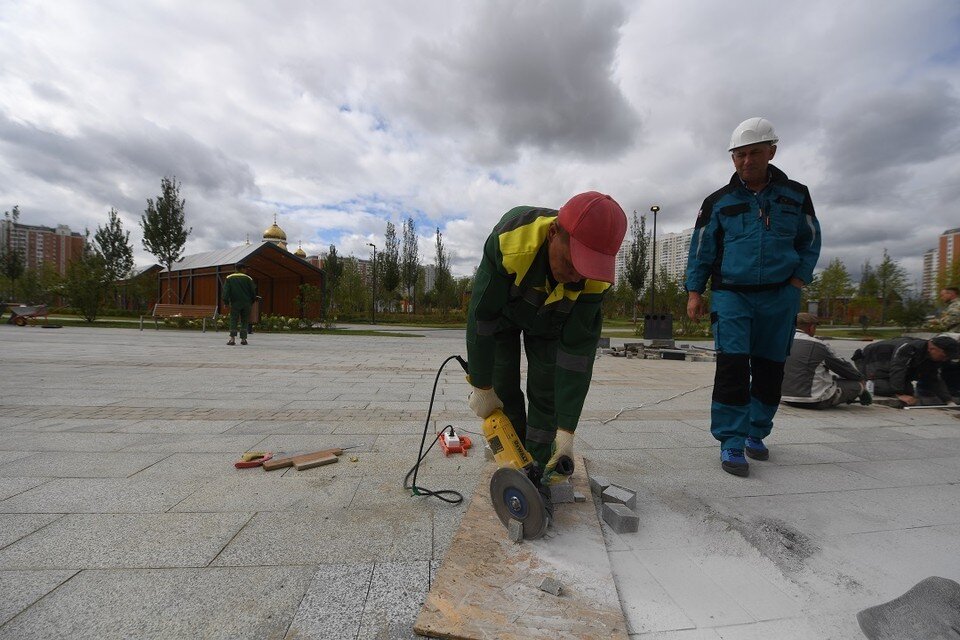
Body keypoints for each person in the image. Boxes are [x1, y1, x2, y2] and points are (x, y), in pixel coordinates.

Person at [685, 117, 821, 477]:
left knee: (770, 368)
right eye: (739, 155)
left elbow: (810, 240)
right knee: (731, 367)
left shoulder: (796, 194)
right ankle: (731, 440)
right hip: (732, 295)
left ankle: (756, 432)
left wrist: (798, 281)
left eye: (754, 153)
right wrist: (695, 291)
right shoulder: (718, 201)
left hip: (780, 296)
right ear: (733, 158)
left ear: (771, 152)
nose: (747, 161)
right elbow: (701, 249)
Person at [465, 192, 627, 488]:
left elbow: (577, 353)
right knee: (502, 388)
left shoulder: (596, 280)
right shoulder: (512, 238)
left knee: (546, 391)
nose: (575, 276)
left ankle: (537, 470)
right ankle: (512, 463)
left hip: (551, 323)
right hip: (504, 316)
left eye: (586, 268)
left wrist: (566, 432)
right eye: (570, 261)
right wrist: (481, 384)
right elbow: (483, 316)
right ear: (554, 233)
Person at [781, 312, 869, 409]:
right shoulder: (819, 345)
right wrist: (861, 379)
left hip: (783, 397)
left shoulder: (782, 341)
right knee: (857, 385)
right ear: (811, 327)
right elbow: (845, 368)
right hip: (812, 400)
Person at [852, 336, 959, 406]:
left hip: (888, 367)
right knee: (881, 387)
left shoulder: (933, 357)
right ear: (933, 348)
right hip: (872, 361)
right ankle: (860, 383)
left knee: (908, 391)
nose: (945, 360)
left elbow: (934, 378)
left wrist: (948, 400)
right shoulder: (909, 347)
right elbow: (898, 368)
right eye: (944, 356)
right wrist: (899, 394)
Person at [222, 262, 257, 346]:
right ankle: (243, 339)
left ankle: (232, 339)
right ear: (241, 269)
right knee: (245, 320)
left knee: (233, 319)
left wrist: (226, 302)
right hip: (246, 303)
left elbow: (226, 292)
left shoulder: (229, 278)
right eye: (245, 268)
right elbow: (253, 292)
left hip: (235, 303)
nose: (246, 270)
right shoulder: (248, 278)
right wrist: (251, 301)